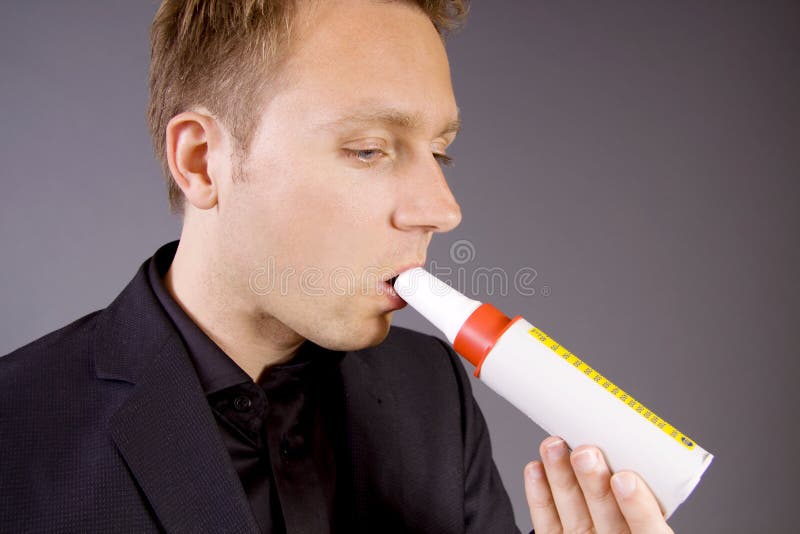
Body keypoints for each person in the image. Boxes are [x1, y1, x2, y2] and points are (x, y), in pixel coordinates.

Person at [0, 1, 675, 532]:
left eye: (439, 153)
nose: (443, 210)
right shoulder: (16, 429)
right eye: (369, 149)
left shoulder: (431, 394)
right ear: (203, 161)